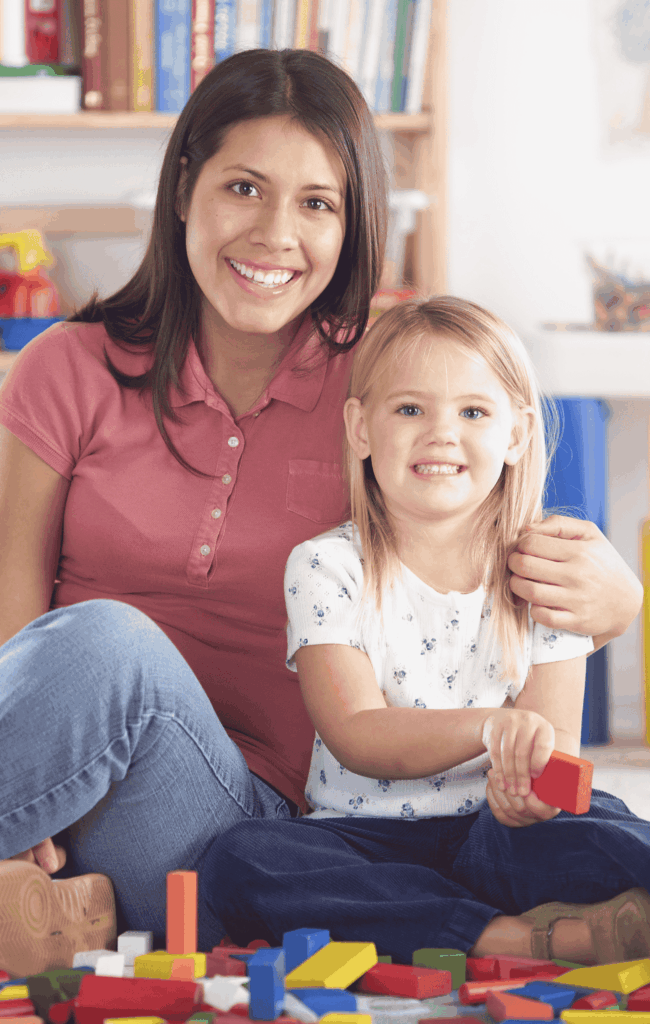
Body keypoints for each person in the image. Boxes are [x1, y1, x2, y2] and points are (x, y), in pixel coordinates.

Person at [0, 49, 642, 973]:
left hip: (262, 838)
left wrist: (616, 603)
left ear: (353, 226)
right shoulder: (68, 367)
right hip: (73, 800)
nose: (274, 235)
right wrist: (31, 800)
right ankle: (44, 896)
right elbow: (19, 637)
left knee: (114, 645)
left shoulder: (385, 391)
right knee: (95, 646)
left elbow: (493, 513)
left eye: (317, 204)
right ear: (184, 187)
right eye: (245, 187)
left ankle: (68, 908)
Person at [201, 297, 650, 967]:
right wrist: (490, 729)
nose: (442, 433)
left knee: (612, 830)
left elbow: (556, 753)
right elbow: (355, 731)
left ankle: (488, 924)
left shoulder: (550, 572)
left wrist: (530, 795)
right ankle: (520, 939)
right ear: (361, 429)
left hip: (501, 836)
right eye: (410, 409)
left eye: (473, 412)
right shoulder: (327, 566)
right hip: (364, 841)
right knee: (246, 860)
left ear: (517, 434)